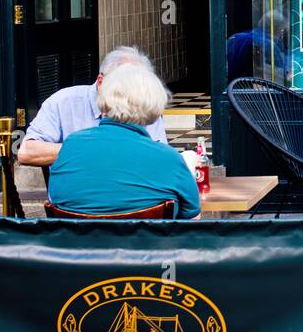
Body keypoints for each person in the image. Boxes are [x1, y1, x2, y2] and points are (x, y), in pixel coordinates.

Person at [46, 63, 201, 218]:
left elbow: (56, 198)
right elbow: (190, 213)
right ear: (152, 107)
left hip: (78, 241)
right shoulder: (168, 158)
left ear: (103, 102)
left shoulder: (70, 146)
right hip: (147, 241)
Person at [17, 46, 168, 167]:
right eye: (122, 85)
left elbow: (160, 157)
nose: (130, 93)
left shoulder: (142, 105)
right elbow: (26, 152)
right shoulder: (63, 101)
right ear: (101, 81)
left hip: (132, 194)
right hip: (76, 199)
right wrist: (88, 149)